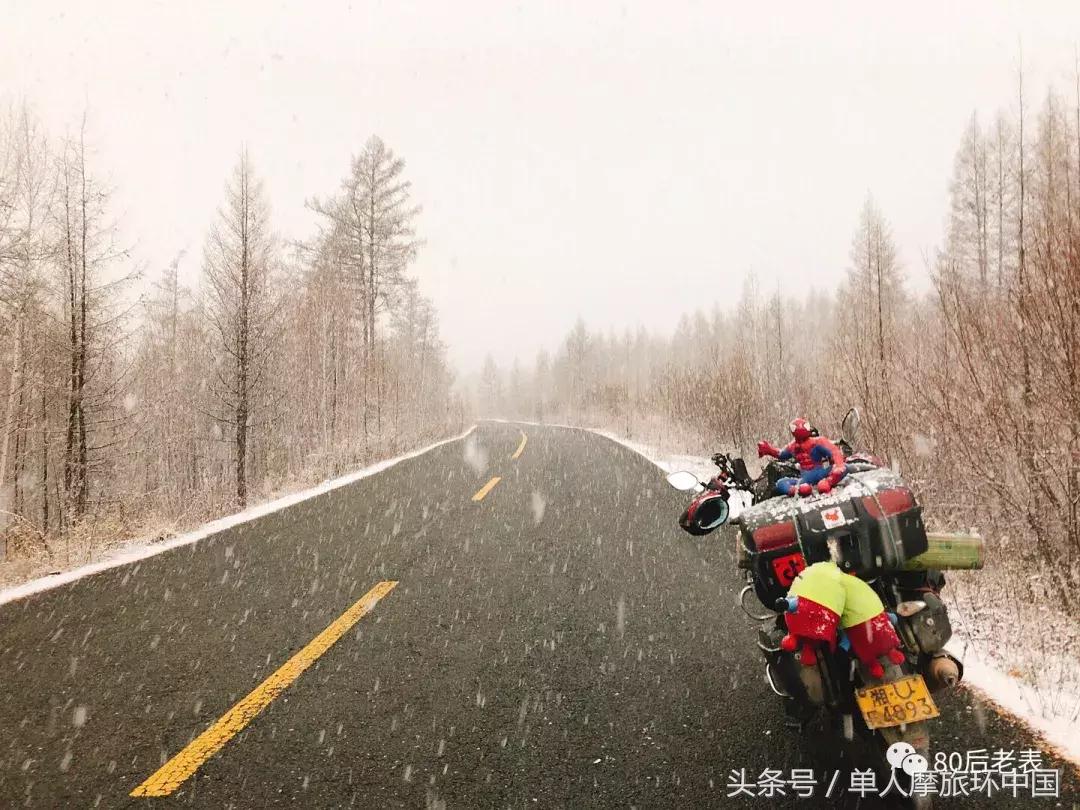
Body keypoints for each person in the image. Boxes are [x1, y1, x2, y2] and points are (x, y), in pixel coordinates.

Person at [758, 418, 847, 496]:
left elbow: (835, 452)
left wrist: (838, 466)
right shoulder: (793, 446)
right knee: (781, 483)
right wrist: (769, 450)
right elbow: (781, 454)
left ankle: (827, 482)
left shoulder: (818, 442)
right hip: (805, 478)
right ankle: (797, 490)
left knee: (843, 468)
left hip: (820, 473)